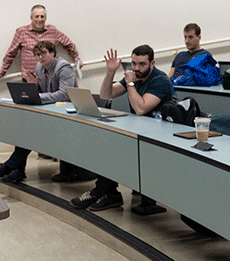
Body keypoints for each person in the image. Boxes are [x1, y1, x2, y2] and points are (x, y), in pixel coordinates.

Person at [70, 45, 173, 211]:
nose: (136, 68)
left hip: (160, 136)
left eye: (141, 64)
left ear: (152, 63)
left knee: (113, 148)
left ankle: (104, 193)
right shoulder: (134, 77)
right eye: (133, 63)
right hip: (142, 131)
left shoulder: (160, 80)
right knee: (105, 142)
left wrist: (130, 82)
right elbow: (105, 95)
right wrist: (110, 72)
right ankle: (107, 193)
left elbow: (141, 109)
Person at [0, 41, 90, 183]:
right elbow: (42, 91)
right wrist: (33, 88)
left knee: (31, 133)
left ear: (53, 53)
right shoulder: (39, 67)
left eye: (43, 53)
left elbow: (64, 95)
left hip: (67, 113)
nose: (40, 57)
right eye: (37, 54)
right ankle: (15, 169)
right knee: (26, 130)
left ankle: (11, 167)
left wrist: (38, 96)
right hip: (50, 110)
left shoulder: (64, 68)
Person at [0, 4, 83, 82]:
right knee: (32, 102)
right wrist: (2, 72)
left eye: (42, 16)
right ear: (31, 18)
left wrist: (76, 58)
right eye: (37, 16)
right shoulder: (21, 32)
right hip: (29, 78)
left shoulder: (52, 31)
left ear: (45, 18)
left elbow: (68, 44)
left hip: (50, 77)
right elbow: (11, 54)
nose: (40, 19)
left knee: (52, 100)